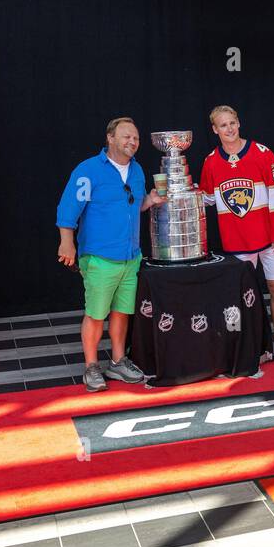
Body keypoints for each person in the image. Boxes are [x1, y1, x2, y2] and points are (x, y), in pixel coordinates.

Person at [57, 117, 166, 392]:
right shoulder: (89, 170)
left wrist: (150, 201)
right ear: (110, 138)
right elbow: (68, 209)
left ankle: (118, 361)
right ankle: (91, 366)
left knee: (121, 312)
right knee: (96, 313)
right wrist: (66, 243)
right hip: (99, 257)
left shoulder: (138, 170)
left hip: (130, 257)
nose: (132, 142)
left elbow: (134, 204)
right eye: (126, 136)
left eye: (136, 138)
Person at [199, 105, 274, 362]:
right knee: (242, 295)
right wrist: (181, 191)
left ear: (239, 123)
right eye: (223, 125)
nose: (229, 128)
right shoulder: (211, 161)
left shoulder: (262, 154)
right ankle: (250, 344)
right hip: (237, 241)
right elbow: (207, 197)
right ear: (214, 129)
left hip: (269, 238)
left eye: (232, 123)